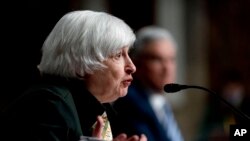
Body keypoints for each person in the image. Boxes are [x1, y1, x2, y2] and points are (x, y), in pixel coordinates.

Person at [0, 10, 147, 141]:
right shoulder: (49, 104)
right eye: (118, 55)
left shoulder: (96, 108)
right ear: (81, 62)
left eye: (128, 53)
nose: (132, 67)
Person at [112, 26, 184, 141]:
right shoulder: (131, 103)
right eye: (157, 59)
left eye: (171, 59)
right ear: (137, 63)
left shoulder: (161, 102)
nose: (167, 68)